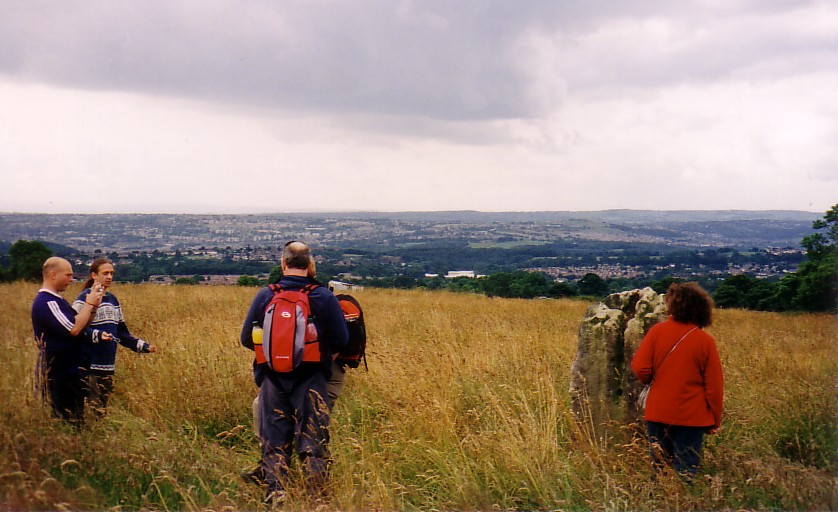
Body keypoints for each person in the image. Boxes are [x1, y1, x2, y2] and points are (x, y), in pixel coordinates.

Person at [240, 241, 348, 504]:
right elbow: (342, 339)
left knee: (274, 440)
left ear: (283, 263)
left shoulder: (266, 294)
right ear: (310, 264)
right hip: (311, 377)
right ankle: (317, 500)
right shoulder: (323, 296)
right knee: (313, 441)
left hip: (272, 378)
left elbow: (246, 338)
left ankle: (276, 496)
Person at [631, 282, 724, 479]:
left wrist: (652, 380)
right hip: (692, 417)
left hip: (658, 412)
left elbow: (640, 368)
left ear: (673, 306)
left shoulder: (657, 331)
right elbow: (714, 387)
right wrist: (714, 420)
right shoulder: (705, 342)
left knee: (659, 467)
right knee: (687, 469)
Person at [72, 258, 157, 415]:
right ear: (94, 275)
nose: (109, 277)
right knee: (87, 409)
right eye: (105, 273)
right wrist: (96, 335)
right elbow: (74, 328)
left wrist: (142, 346)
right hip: (88, 365)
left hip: (107, 366)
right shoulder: (83, 298)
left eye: (111, 273)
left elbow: (122, 333)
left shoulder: (113, 300)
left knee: (100, 410)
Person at [31, 256, 110, 424]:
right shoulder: (48, 302)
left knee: (75, 418)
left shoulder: (58, 301)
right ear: (53, 275)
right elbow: (73, 329)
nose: (71, 280)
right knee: (66, 419)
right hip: (59, 373)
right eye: (68, 275)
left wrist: (94, 307)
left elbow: (80, 325)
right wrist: (88, 304)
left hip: (71, 372)